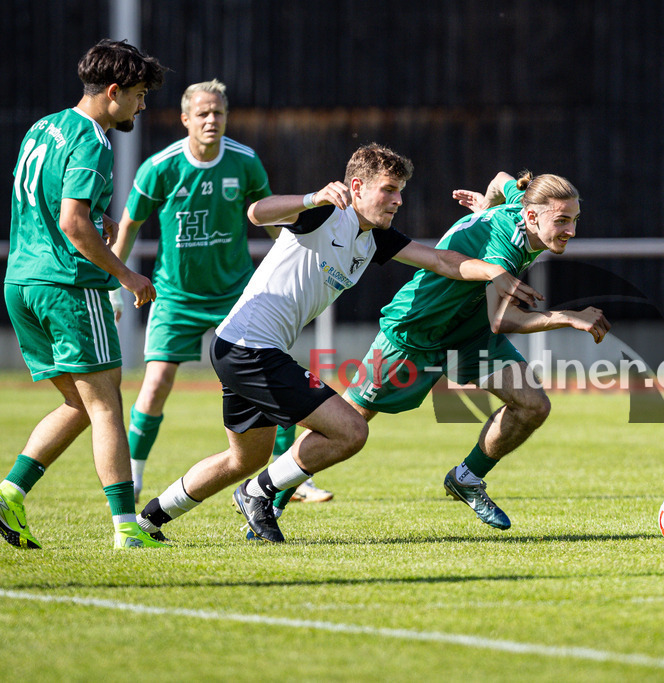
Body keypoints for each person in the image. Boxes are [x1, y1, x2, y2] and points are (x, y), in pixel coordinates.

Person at [135, 143, 540, 543]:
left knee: (245, 458)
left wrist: (494, 273)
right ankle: (258, 493)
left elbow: (441, 260)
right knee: (350, 430)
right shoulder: (327, 212)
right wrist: (312, 197)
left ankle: (151, 519)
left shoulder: (375, 237)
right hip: (249, 349)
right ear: (357, 186)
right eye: (389, 190)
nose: (398, 200)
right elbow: (256, 213)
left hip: (243, 349)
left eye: (400, 191)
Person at [343, 170, 609, 530]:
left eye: (575, 220)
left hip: (469, 332)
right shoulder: (506, 246)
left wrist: (489, 202)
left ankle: (466, 478)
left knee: (533, 404)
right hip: (417, 331)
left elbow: (502, 179)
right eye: (562, 221)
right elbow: (504, 320)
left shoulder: (521, 203)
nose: (571, 231)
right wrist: (568, 317)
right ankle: (269, 492)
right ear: (532, 217)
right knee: (346, 424)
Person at [109, 79, 329, 509]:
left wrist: (297, 263)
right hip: (175, 295)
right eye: (204, 113)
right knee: (154, 385)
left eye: (219, 114)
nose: (212, 121)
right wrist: (113, 284)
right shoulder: (160, 166)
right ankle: (132, 478)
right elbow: (129, 224)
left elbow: (270, 219)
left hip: (236, 292)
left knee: (273, 376)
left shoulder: (245, 162)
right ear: (186, 119)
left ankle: (288, 476)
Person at [0, 39, 169, 549]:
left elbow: (51, 204)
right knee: (106, 407)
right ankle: (126, 529)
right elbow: (73, 222)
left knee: (79, 403)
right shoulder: (94, 140)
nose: (143, 106)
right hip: (68, 286)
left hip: (21, 281)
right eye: (139, 95)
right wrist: (127, 274)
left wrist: (100, 218)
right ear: (113, 91)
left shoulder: (42, 127)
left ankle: (9, 493)